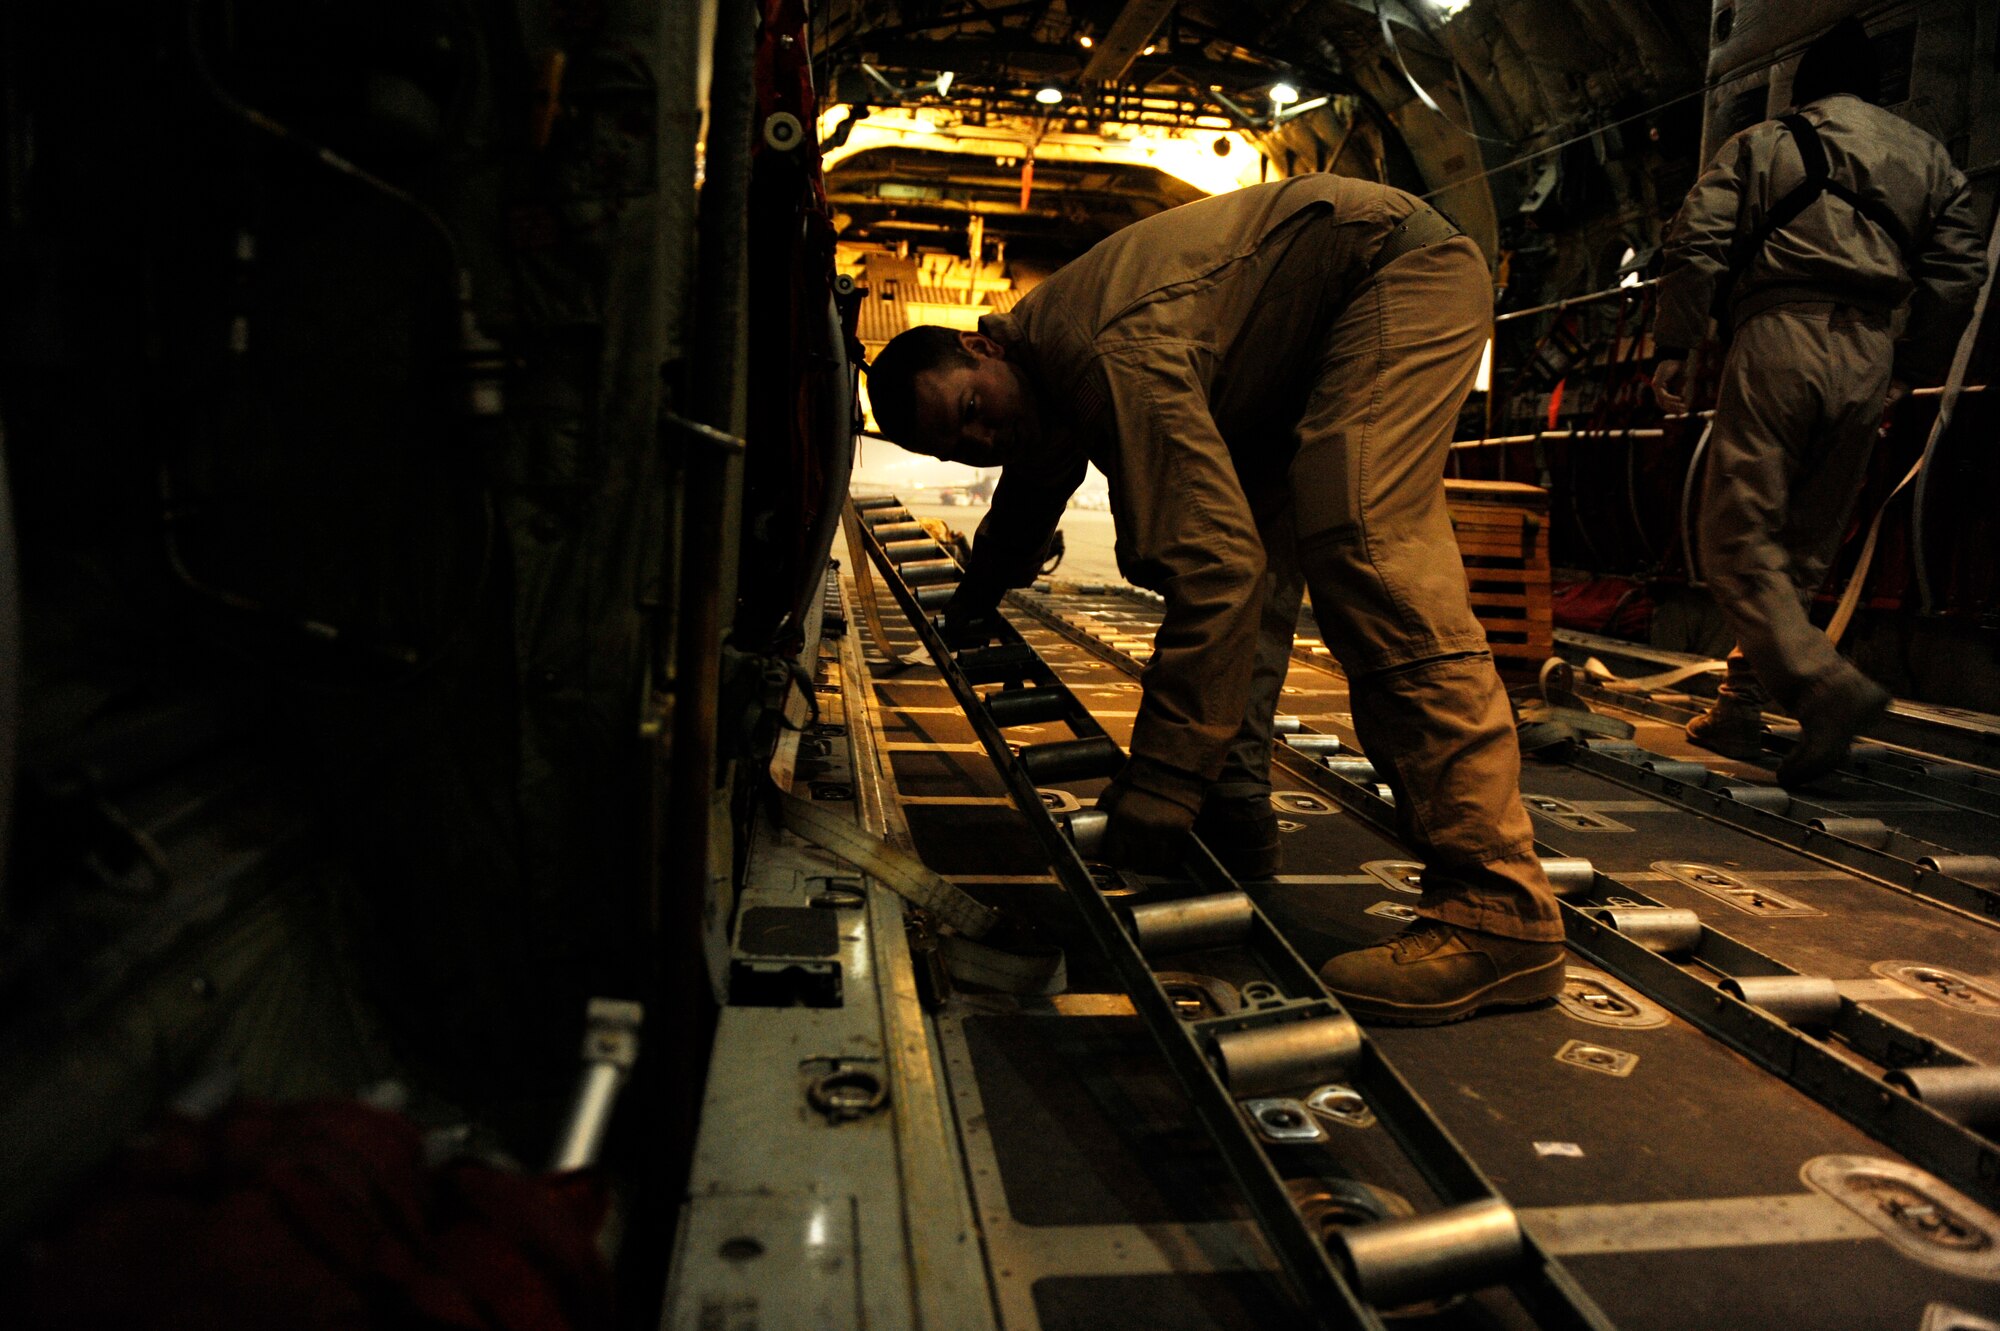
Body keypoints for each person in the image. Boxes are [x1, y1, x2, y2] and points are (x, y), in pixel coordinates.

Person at [865, 174, 1565, 1025]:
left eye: (970, 410)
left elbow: (1211, 575)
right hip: (1300, 346)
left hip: (1391, 276)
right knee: (1265, 562)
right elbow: (1030, 489)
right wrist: (978, 593)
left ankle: (1498, 907)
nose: (982, 438)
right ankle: (1233, 810)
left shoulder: (1095, 351)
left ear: (988, 349)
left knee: (1360, 538)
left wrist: (1160, 781)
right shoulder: (1039, 383)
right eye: (959, 446)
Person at [1653, 18, 1987, 787]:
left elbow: (1697, 239)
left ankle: (1827, 686)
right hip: (1870, 351)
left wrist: (1677, 342)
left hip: (1781, 333)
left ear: (1805, 87)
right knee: (1801, 548)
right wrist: (1913, 363)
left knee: (1738, 538)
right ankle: (1740, 705)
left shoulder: (1765, 143)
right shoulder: (1927, 154)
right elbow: (1959, 273)